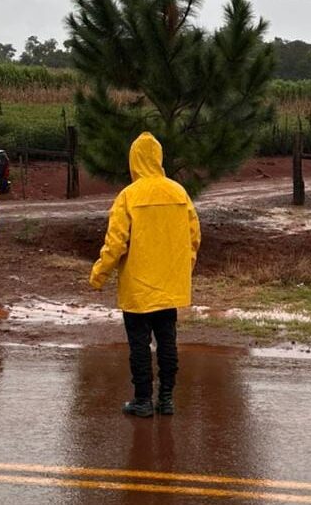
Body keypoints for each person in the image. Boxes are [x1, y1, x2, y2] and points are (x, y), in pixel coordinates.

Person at [90, 132, 201, 418]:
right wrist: (182, 269)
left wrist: (98, 274)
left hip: (138, 288)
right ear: (159, 158)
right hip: (169, 286)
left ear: (134, 160)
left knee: (139, 344)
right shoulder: (179, 192)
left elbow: (115, 243)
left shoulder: (129, 196)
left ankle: (143, 400)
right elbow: (194, 237)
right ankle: (166, 399)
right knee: (167, 341)